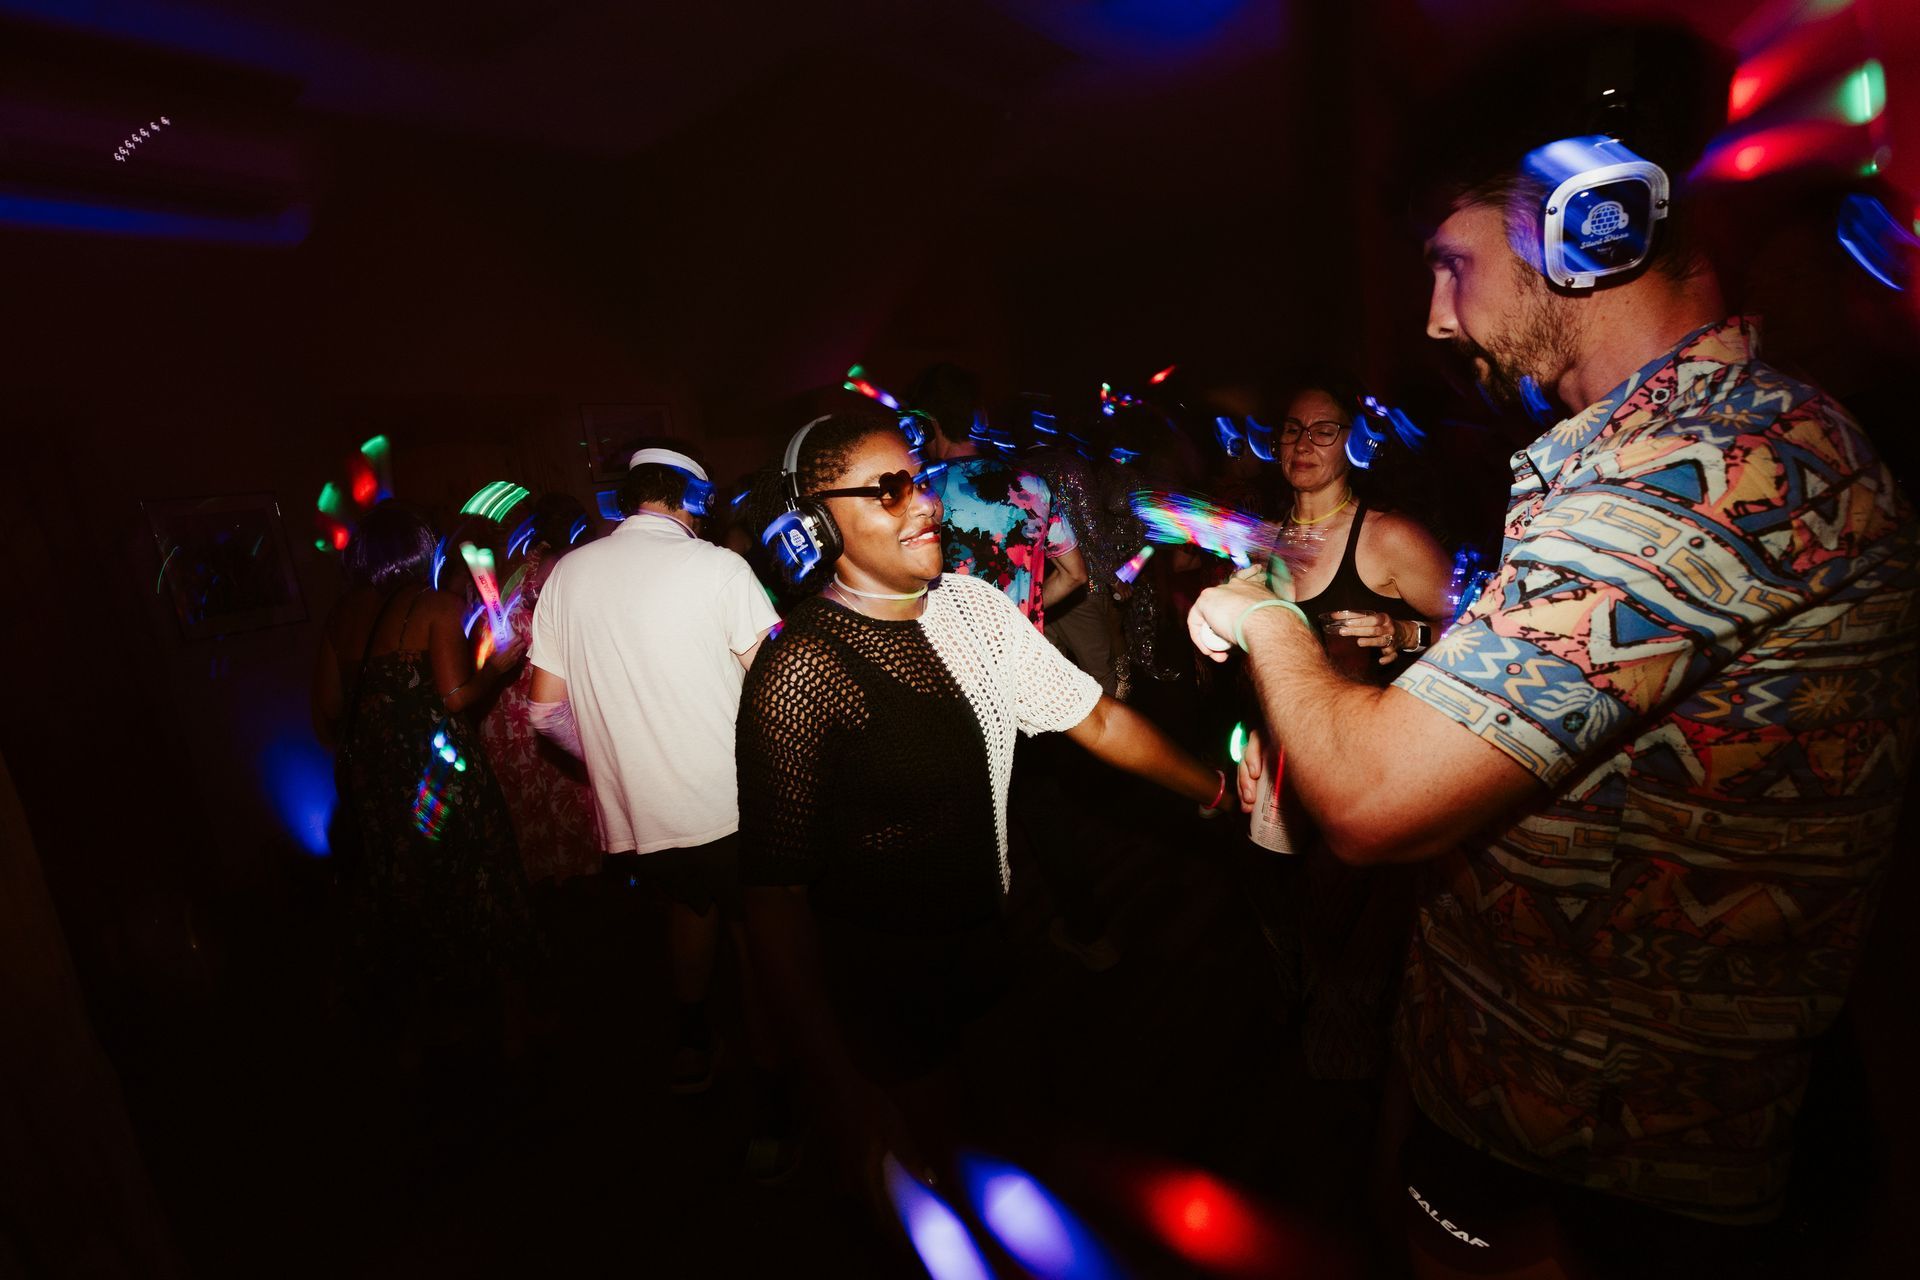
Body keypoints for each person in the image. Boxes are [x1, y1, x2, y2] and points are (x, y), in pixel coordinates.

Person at [1191, 110, 1918, 1276]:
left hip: (1602, 1153)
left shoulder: (1720, 465)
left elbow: (1375, 800)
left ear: (1592, 225)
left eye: (1451, 260)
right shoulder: (1633, 459)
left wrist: (1263, 615)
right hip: (1517, 1094)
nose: (1436, 314)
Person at [736, 404, 1232, 1193]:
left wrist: (1214, 789)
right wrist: (836, 1082)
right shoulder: (799, 672)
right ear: (815, 530)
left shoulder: (973, 607)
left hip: (986, 932)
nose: (925, 502)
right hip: (886, 972)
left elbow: (1096, 718)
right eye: (889, 491)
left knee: (1015, 1130)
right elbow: (773, 898)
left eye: (920, 480)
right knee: (948, 1165)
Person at [526, 446, 780, 1101]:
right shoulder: (720, 567)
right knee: (760, 938)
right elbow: (780, 692)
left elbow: (544, 712)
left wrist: (621, 755)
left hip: (642, 817)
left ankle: (692, 1045)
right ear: (692, 500)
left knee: (688, 911)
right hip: (732, 803)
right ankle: (774, 1099)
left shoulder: (567, 575)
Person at [1251, 374, 1453, 1082]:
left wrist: (1405, 629)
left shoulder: (1388, 536)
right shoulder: (1263, 539)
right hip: (1280, 762)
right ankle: (1292, 1028)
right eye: (1291, 429)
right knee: (1280, 904)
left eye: (1323, 429)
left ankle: (1344, 1065)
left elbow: (1471, 634)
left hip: (1363, 761)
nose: (1302, 443)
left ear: (1353, 442)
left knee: (1343, 922)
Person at [309, 500, 536, 1053]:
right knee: (478, 881)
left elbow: (328, 711)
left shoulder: (341, 617)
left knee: (410, 894)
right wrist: (497, 670)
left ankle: (436, 1029)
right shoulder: (434, 607)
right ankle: (512, 1027)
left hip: (380, 784)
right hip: (440, 776)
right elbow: (457, 697)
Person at [908, 362, 1089, 631]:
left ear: (927, 423)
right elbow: (1075, 575)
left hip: (954, 659)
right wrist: (1020, 613)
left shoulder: (921, 494)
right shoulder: (1032, 486)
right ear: (976, 418)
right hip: (1023, 652)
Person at [479, 494, 601, 887]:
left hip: (506, 712)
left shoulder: (513, 570)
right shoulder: (565, 568)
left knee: (531, 813)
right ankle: (582, 892)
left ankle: (548, 891)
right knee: (569, 802)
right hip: (546, 702)